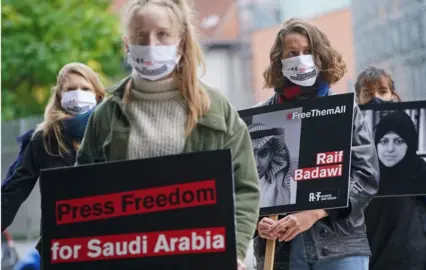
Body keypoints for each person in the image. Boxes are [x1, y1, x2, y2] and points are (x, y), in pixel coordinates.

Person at [74, 1, 259, 268]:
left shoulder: (215, 108)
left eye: (162, 34)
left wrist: (236, 249)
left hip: (200, 258)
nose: (151, 44)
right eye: (141, 35)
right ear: (127, 43)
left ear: (180, 42)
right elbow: (81, 192)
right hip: (127, 259)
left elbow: (245, 188)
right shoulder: (106, 115)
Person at [253, 18, 379, 270]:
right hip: (280, 253)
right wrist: (258, 222)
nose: (301, 58)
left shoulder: (344, 111)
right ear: (279, 60)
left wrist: (316, 212)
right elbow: (248, 185)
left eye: (308, 51)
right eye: (292, 53)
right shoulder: (260, 118)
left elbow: (366, 176)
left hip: (339, 248)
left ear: (320, 57)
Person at [355, 66, 426, 270]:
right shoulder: (352, 143)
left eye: (382, 91)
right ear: (357, 100)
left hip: (413, 251)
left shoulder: (420, 147)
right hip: (368, 251)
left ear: (394, 96)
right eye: (367, 93)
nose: (376, 98)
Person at [1, 62, 105, 246]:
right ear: (59, 96)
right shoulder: (43, 139)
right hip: (60, 242)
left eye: (85, 88)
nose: (78, 93)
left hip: (108, 240)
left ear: (97, 96)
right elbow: (13, 190)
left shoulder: (112, 133)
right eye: (71, 89)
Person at [374, 111, 426, 195]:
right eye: (384, 141)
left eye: (398, 141)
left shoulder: (423, 173)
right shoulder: (367, 175)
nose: (390, 149)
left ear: (410, 144)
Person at [248, 123, 292, 208]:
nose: (256, 164)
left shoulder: (287, 188)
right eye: (249, 155)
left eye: (263, 153)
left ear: (271, 155)